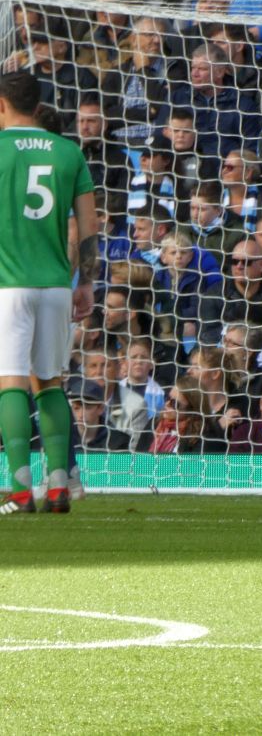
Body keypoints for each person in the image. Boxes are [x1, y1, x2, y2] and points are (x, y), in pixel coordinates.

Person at [0, 70, 97, 515]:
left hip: (9, 284)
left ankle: (19, 489)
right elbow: (89, 228)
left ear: (2, 105)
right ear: (38, 106)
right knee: (51, 381)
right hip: (58, 286)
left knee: (11, 381)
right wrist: (88, 282)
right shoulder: (69, 152)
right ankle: (58, 484)